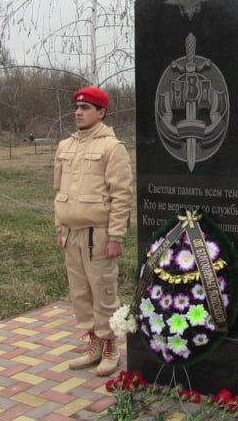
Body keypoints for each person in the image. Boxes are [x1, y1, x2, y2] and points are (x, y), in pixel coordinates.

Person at [53, 86, 133, 377]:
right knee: (81, 294)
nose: (78, 112)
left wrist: (115, 237)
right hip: (72, 234)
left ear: (101, 112)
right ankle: (95, 344)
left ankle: (111, 347)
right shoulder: (65, 146)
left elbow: (121, 195)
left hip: (97, 235)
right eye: (77, 107)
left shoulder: (113, 148)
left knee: (104, 293)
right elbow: (58, 189)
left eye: (86, 108)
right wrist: (60, 227)